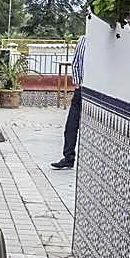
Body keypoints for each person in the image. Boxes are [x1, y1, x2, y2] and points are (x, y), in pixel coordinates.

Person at [52, 34, 88, 170]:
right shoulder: (83, 40)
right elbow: (76, 63)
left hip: (93, 90)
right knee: (71, 126)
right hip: (82, 90)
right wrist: (78, 84)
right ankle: (68, 157)